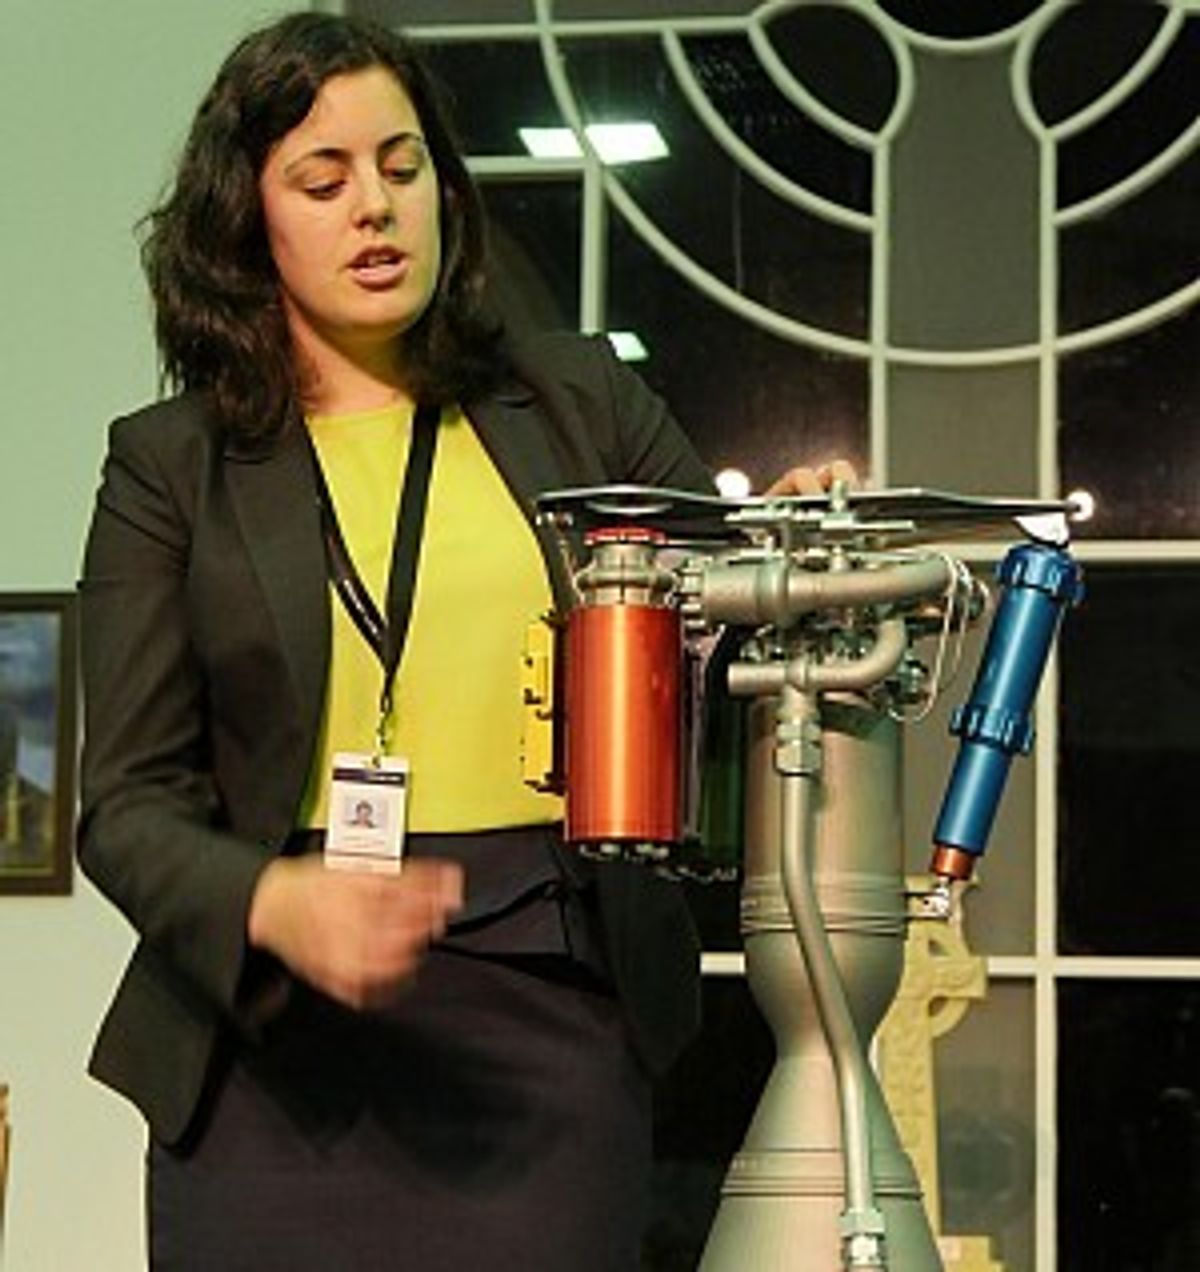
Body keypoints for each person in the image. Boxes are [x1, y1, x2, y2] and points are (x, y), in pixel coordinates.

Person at [77, 12, 847, 1271]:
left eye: (402, 165)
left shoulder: (579, 399)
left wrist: (789, 549)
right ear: (247, 221)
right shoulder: (170, 465)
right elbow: (124, 807)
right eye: (323, 180)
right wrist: (273, 900)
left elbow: (720, 616)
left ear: (446, 187)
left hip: (544, 1003)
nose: (374, 207)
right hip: (268, 1036)